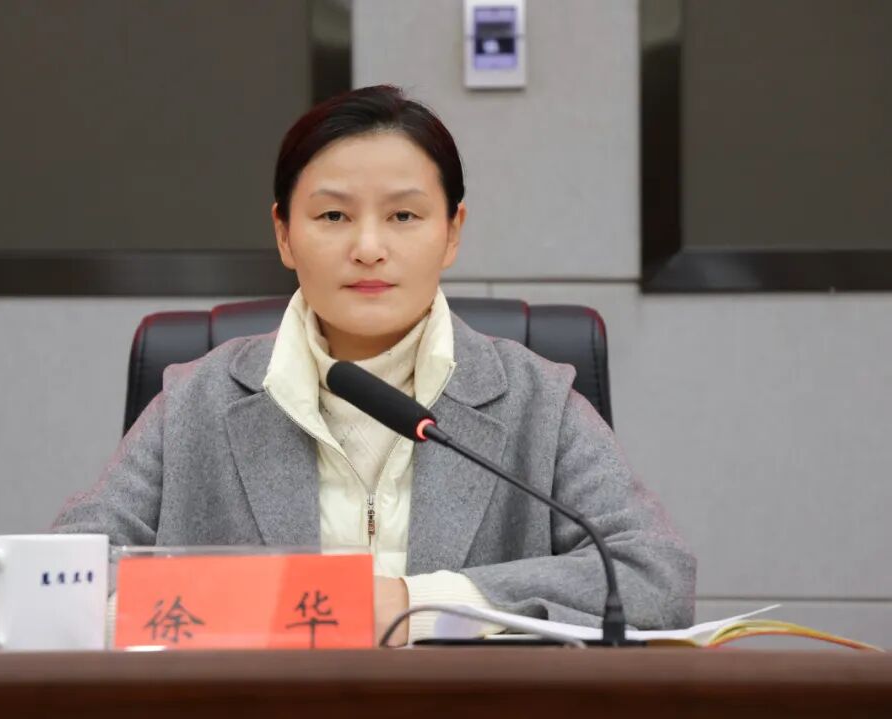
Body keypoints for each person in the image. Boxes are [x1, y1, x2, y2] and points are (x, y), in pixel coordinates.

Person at [53, 85, 696, 644]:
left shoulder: (538, 402)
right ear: (283, 234)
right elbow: (63, 578)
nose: (368, 247)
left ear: (452, 231)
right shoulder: (195, 401)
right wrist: (266, 609)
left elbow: (652, 575)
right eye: (333, 215)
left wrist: (414, 605)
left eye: (403, 216)